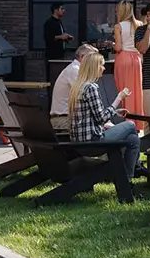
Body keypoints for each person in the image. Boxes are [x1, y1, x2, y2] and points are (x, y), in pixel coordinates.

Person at [56, 54, 140, 183]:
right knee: (131, 126)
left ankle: (128, 177)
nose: (104, 68)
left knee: (133, 139)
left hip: (79, 141)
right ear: (94, 67)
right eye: (101, 65)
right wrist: (119, 98)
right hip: (93, 142)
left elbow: (90, 116)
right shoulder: (91, 88)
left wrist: (114, 112)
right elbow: (101, 118)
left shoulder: (77, 87)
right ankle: (128, 176)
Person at [111, 1, 145, 130]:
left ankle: (127, 122)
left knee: (123, 90)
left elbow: (119, 47)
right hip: (136, 59)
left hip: (123, 58)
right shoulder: (139, 24)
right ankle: (137, 123)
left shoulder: (118, 26)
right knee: (136, 90)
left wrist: (112, 45)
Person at [50, 43, 100, 119]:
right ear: (82, 57)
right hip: (64, 119)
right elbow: (86, 96)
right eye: (92, 58)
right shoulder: (75, 70)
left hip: (71, 117)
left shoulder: (77, 69)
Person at [40, 2, 74, 66]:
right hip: (53, 55)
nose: (64, 11)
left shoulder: (59, 22)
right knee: (53, 73)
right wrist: (60, 37)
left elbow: (59, 35)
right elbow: (47, 37)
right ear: (56, 10)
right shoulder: (49, 22)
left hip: (60, 53)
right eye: (62, 9)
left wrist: (67, 37)